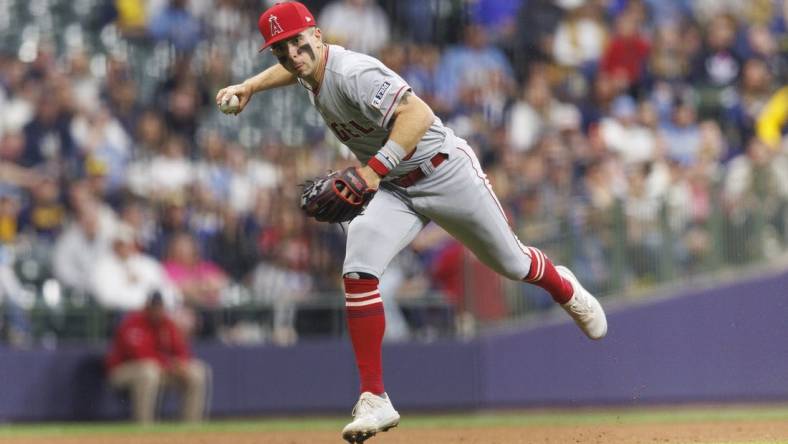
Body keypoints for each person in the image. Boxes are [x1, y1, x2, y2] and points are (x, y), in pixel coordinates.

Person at [216, 3, 607, 442]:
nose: (290, 53)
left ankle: (564, 287)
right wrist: (250, 85)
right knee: (358, 267)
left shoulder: (353, 72)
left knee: (512, 263)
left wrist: (371, 172)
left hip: (443, 171)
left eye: (296, 41)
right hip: (394, 186)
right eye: (280, 49)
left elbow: (417, 115)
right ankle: (374, 397)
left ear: (318, 35)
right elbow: (297, 70)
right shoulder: (310, 68)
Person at [105, 291, 208, 424]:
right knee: (148, 371)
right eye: (154, 306)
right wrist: (170, 365)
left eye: (160, 306)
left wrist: (181, 364)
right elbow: (139, 355)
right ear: (147, 306)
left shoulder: (167, 324)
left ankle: (191, 426)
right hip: (122, 371)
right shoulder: (132, 323)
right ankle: (144, 425)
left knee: (196, 371)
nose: (157, 310)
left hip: (161, 369)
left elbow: (181, 350)